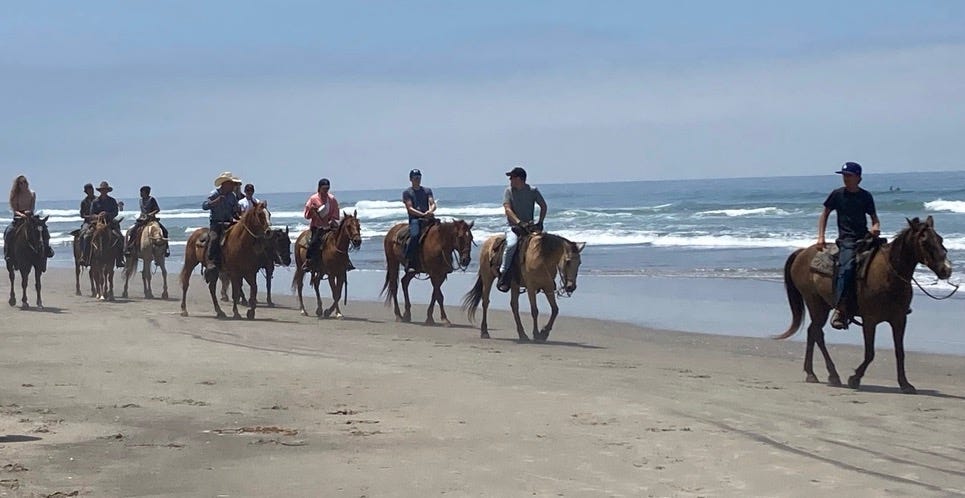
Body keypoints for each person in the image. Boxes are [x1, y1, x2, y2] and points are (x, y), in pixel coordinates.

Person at [817, 162, 880, 329]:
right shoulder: (837, 195)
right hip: (847, 239)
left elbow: (874, 217)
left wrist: (875, 227)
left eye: (849, 176)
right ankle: (840, 308)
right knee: (847, 268)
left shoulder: (866, 196)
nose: (846, 179)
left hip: (864, 237)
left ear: (859, 178)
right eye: (844, 176)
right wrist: (821, 237)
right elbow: (824, 214)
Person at [497, 166, 547, 292]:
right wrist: (519, 222)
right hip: (513, 227)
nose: (510, 180)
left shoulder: (533, 191)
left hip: (529, 227)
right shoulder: (508, 191)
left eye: (512, 178)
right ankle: (504, 273)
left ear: (519, 179)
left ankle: (545, 276)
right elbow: (507, 209)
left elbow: (543, 206)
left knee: (544, 244)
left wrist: (540, 222)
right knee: (511, 245)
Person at [4, 175, 53, 267]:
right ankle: (8, 254)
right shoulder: (15, 195)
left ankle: (47, 250)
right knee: (9, 231)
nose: (23, 185)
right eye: (21, 183)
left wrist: (29, 212)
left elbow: (32, 206)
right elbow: (15, 210)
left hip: (30, 216)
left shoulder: (32, 193)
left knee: (43, 229)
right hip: (19, 217)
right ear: (18, 185)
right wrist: (22, 214)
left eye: (25, 182)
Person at [202, 172, 242, 273]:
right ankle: (211, 261)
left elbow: (235, 210)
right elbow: (204, 206)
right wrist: (215, 202)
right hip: (216, 222)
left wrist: (237, 214)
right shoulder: (214, 194)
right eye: (231, 183)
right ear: (225, 184)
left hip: (229, 222)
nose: (233, 186)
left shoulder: (232, 196)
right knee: (214, 238)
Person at [401, 169, 436, 273]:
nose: (418, 180)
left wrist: (431, 210)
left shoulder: (427, 190)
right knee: (415, 235)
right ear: (411, 179)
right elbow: (410, 208)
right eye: (416, 178)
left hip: (428, 218)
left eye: (419, 178)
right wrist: (422, 214)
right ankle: (410, 262)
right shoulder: (407, 193)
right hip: (415, 219)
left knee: (443, 232)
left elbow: (432, 202)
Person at [302, 178, 340, 271]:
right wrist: (311, 210)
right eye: (324, 188)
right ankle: (308, 261)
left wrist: (332, 221)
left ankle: (346, 261)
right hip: (317, 227)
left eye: (327, 188)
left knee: (341, 239)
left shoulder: (332, 199)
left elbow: (335, 214)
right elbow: (307, 215)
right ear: (319, 188)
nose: (326, 190)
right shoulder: (313, 199)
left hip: (330, 227)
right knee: (314, 242)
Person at [85, 181, 125, 268]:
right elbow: (91, 214)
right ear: (100, 191)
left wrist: (107, 214)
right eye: (102, 190)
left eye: (105, 190)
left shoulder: (112, 201)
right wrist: (98, 215)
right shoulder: (95, 202)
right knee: (87, 236)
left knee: (120, 237)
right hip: (97, 224)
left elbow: (115, 212)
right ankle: (86, 258)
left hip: (109, 223)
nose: (104, 191)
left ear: (107, 191)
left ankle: (119, 259)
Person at [124, 186, 170, 258]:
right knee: (132, 231)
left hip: (151, 219)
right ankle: (129, 247)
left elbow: (157, 209)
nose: (140, 194)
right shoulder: (140, 200)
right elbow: (142, 210)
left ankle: (166, 249)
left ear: (146, 192)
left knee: (165, 231)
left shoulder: (152, 199)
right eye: (140, 192)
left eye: (142, 192)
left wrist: (151, 214)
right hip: (142, 220)